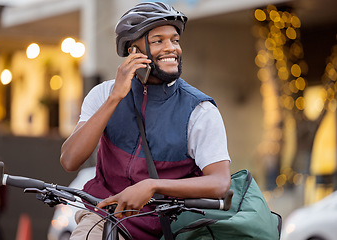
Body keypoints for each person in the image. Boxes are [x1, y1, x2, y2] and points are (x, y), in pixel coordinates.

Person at [60, 2, 231, 239]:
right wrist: (115, 98)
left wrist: (152, 185)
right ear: (133, 52)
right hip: (106, 220)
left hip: (171, 228)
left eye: (175, 40)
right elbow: (70, 160)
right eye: (158, 41)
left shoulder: (199, 110)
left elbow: (220, 183)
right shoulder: (103, 95)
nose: (171, 48)